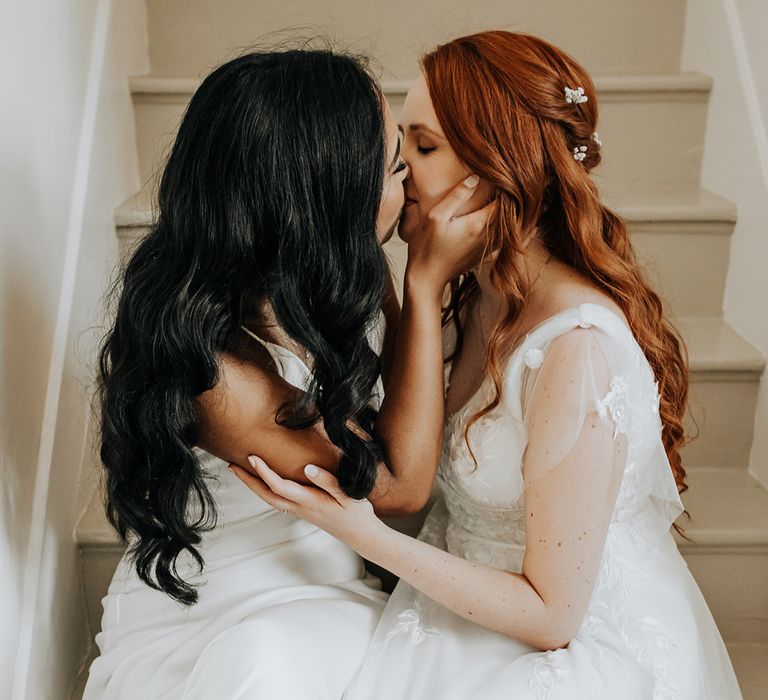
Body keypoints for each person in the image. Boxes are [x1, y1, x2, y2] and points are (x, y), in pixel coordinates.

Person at [235, 31, 744, 699]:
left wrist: (361, 533)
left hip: (557, 634)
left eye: (424, 147)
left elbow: (554, 616)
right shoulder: (473, 295)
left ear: (498, 166)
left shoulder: (576, 347)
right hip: (460, 596)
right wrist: (419, 283)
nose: (395, 171)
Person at [85, 47, 486, 699]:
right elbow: (399, 487)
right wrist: (427, 279)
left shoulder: (341, 272)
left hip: (324, 572)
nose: (411, 175)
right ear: (325, 200)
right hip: (226, 605)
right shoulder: (214, 372)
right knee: (267, 667)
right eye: (392, 165)